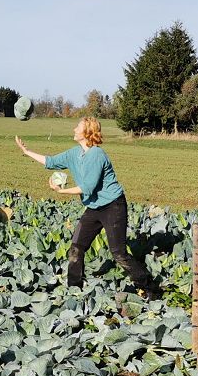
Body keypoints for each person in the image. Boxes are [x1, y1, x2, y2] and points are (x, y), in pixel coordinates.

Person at [14, 117, 161, 299]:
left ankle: (151, 289)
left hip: (113, 207)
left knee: (118, 254)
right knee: (76, 248)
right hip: (93, 207)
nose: (74, 129)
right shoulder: (75, 153)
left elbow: (87, 187)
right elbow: (50, 162)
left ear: (87, 133)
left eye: (78, 127)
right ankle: (74, 289)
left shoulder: (97, 155)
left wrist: (61, 192)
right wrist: (27, 151)